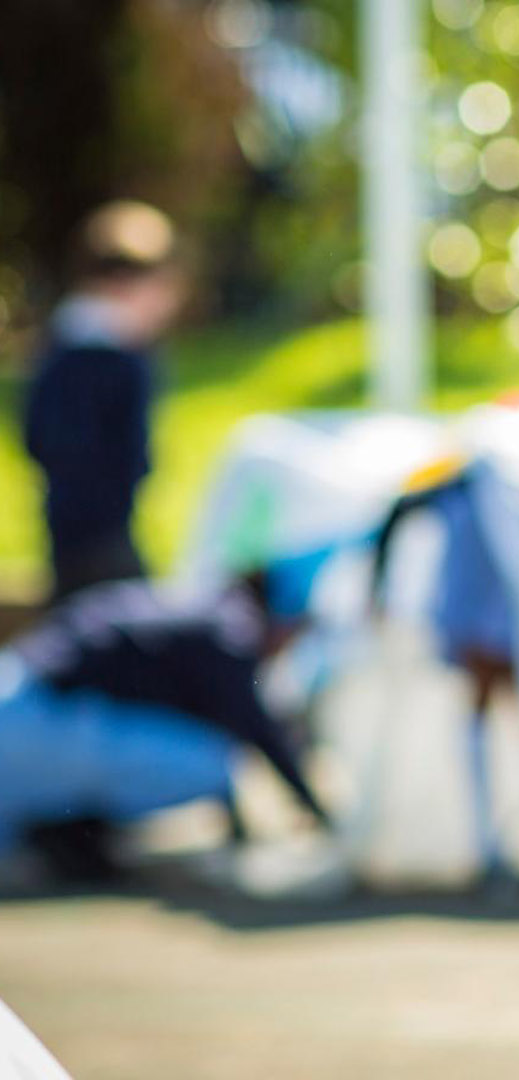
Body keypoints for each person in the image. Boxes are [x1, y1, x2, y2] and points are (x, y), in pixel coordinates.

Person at [0, 565, 330, 884]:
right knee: (214, 763)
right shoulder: (231, 627)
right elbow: (256, 733)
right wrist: (319, 813)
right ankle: (65, 833)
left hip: (18, 690)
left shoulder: (206, 604)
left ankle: (67, 836)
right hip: (43, 717)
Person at [22, 200, 186, 602]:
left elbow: (36, 437)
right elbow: (131, 454)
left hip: (64, 531)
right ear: (124, 284)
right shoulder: (121, 359)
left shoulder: (57, 346)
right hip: (105, 537)